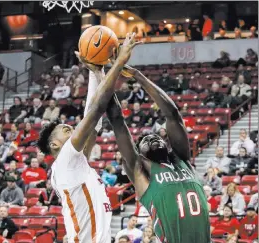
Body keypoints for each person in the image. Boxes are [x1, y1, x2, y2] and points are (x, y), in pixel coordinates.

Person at [36, 33, 139, 243]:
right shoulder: (65, 161)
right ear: (54, 144)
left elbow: (94, 122)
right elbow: (95, 111)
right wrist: (117, 63)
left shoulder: (74, 164)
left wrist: (96, 71)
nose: (73, 130)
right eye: (66, 130)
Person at [106, 65, 210, 243]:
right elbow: (117, 120)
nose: (151, 139)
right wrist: (106, 73)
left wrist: (139, 76)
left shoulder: (182, 158)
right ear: (140, 155)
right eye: (144, 141)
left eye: (154, 136)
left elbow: (173, 114)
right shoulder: (141, 173)